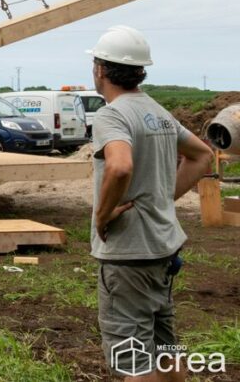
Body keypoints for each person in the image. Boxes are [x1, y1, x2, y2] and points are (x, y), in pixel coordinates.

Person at [88, 25, 213, 381]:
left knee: (134, 363)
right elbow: (202, 155)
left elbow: (120, 165)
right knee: (165, 351)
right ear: (141, 70)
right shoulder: (157, 111)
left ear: (100, 69)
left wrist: (104, 211)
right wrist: (163, 198)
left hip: (129, 258)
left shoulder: (111, 115)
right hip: (161, 251)